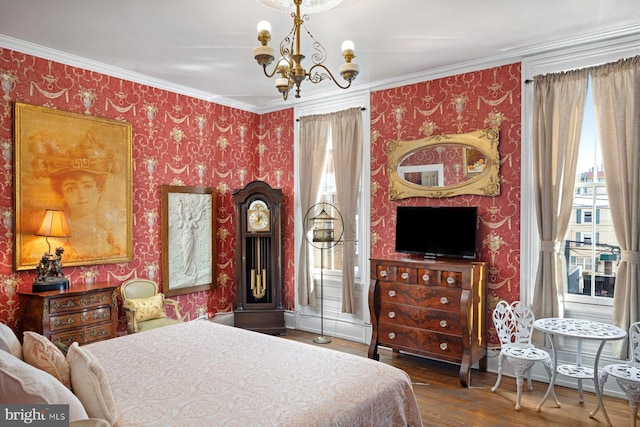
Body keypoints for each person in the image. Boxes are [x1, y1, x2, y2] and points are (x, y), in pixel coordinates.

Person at [23, 131, 125, 263]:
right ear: (62, 194)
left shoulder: (109, 235)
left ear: (99, 190)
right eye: (71, 188)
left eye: (87, 186)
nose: (81, 194)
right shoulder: (57, 237)